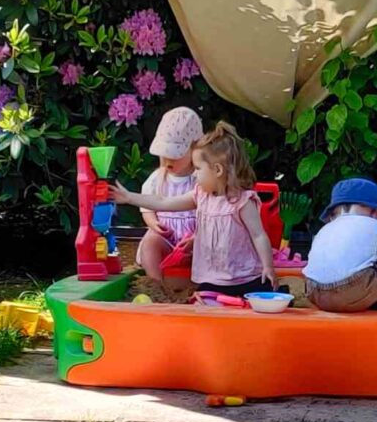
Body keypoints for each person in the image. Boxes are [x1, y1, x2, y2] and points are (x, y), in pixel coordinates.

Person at [111, 120, 277, 295]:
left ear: (218, 170)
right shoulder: (200, 195)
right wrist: (129, 197)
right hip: (210, 280)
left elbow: (259, 235)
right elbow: (163, 202)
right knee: (206, 303)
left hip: (244, 277)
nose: (194, 173)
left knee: (267, 297)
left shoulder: (243, 202)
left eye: (198, 168)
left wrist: (268, 267)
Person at [304, 177, 377, 313]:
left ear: (333, 213)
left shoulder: (325, 229)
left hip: (313, 292)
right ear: (376, 212)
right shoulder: (375, 224)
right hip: (350, 292)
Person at [135, 106, 202, 281]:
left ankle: (202, 285)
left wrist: (197, 237)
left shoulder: (201, 179)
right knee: (150, 243)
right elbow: (146, 207)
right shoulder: (157, 179)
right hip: (166, 238)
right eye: (163, 155)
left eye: (174, 155)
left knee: (213, 247)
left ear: (194, 149)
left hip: (196, 239)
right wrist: (153, 223)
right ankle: (156, 282)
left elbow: (212, 213)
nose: (167, 160)